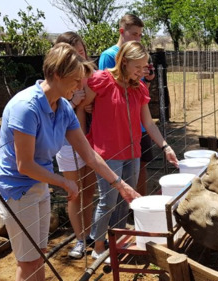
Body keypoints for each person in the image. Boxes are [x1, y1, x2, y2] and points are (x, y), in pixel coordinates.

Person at [0, 43, 140, 281]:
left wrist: (119, 184)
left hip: (38, 186)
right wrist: (62, 181)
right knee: (27, 259)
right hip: (16, 190)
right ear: (57, 74)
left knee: (38, 254)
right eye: (76, 80)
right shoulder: (27, 107)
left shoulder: (62, 108)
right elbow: (24, 164)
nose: (80, 87)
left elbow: (89, 154)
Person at [86, 41, 178, 262]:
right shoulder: (101, 80)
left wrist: (165, 146)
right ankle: (98, 246)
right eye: (138, 67)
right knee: (108, 201)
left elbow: (148, 122)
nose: (142, 71)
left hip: (133, 151)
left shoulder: (140, 87)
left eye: (144, 67)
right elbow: (83, 106)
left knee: (124, 200)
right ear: (124, 62)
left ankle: (116, 241)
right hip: (106, 153)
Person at [97, 13, 157, 196]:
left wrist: (147, 80)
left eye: (140, 34)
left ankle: (136, 208)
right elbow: (107, 94)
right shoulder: (109, 56)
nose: (138, 38)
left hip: (139, 125)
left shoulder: (139, 56)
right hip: (118, 133)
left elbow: (136, 92)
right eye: (134, 34)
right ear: (122, 32)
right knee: (113, 189)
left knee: (141, 167)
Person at [52, 32, 97, 259]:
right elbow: (59, 108)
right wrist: (74, 102)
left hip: (90, 141)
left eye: (82, 52)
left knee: (88, 191)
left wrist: (88, 105)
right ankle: (79, 239)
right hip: (67, 145)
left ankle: (88, 234)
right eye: (76, 53)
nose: (82, 57)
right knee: (73, 192)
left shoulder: (89, 75)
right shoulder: (61, 83)